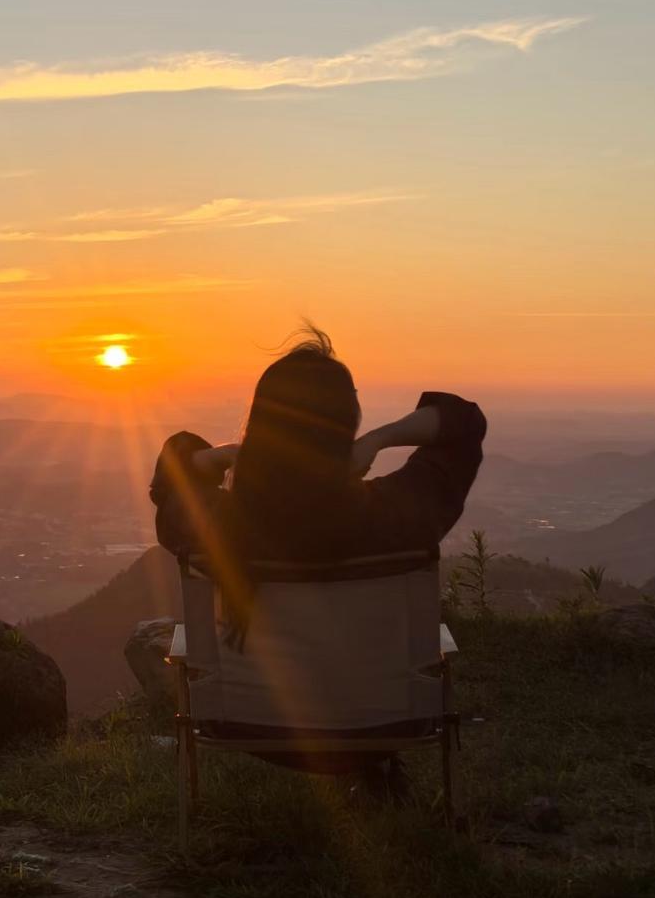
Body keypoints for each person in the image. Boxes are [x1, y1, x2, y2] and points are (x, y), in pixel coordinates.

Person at [148, 324, 486, 788]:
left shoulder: (214, 526)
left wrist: (233, 456)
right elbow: (463, 423)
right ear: (346, 425)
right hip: (388, 725)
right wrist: (376, 441)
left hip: (249, 727)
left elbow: (170, 472)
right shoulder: (402, 513)